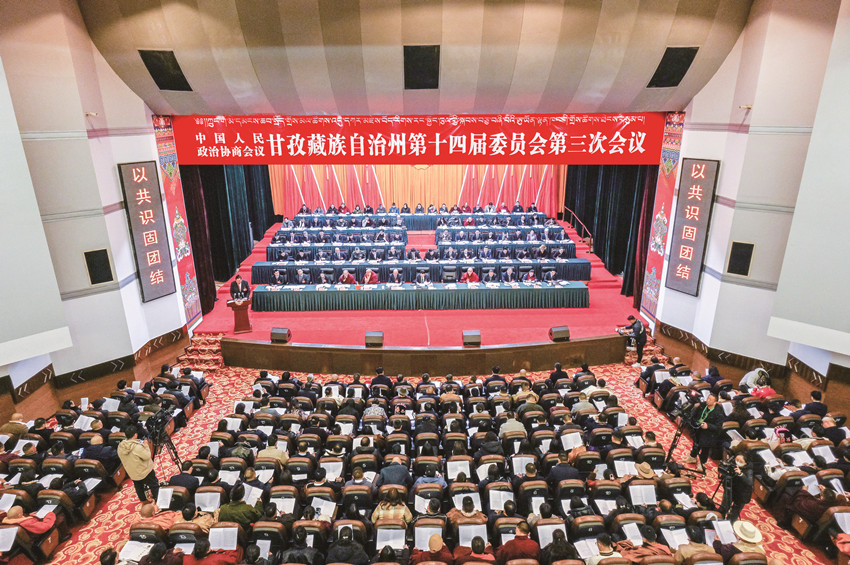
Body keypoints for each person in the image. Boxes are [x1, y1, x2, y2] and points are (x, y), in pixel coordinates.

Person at [118, 424, 158, 502]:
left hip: (132, 472)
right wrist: (146, 445)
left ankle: (143, 500)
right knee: (154, 484)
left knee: (138, 487)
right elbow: (147, 456)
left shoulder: (120, 446)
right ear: (135, 434)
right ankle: (157, 497)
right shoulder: (137, 447)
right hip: (144, 471)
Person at [686, 394, 724, 471]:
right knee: (696, 444)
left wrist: (708, 426)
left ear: (715, 402)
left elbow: (719, 427)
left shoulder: (718, 412)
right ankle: (692, 457)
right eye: (708, 398)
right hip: (698, 428)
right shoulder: (703, 405)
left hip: (709, 433)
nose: (708, 400)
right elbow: (695, 415)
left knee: (705, 449)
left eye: (710, 400)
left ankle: (702, 463)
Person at [718, 453, 753, 522]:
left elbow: (749, 482)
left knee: (734, 513)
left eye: (741, 461)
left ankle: (729, 524)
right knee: (724, 507)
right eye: (737, 460)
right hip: (730, 489)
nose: (738, 462)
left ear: (746, 463)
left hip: (741, 495)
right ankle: (719, 519)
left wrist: (740, 474)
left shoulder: (749, 470)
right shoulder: (733, 463)